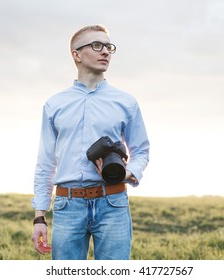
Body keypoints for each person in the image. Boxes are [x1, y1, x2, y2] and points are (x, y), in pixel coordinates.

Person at [31, 24, 150, 260]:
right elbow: (45, 162)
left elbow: (142, 150)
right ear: (76, 54)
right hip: (67, 206)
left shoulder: (126, 102)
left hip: (113, 204)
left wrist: (128, 173)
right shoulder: (55, 104)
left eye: (108, 46)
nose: (105, 51)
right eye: (97, 45)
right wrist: (39, 216)